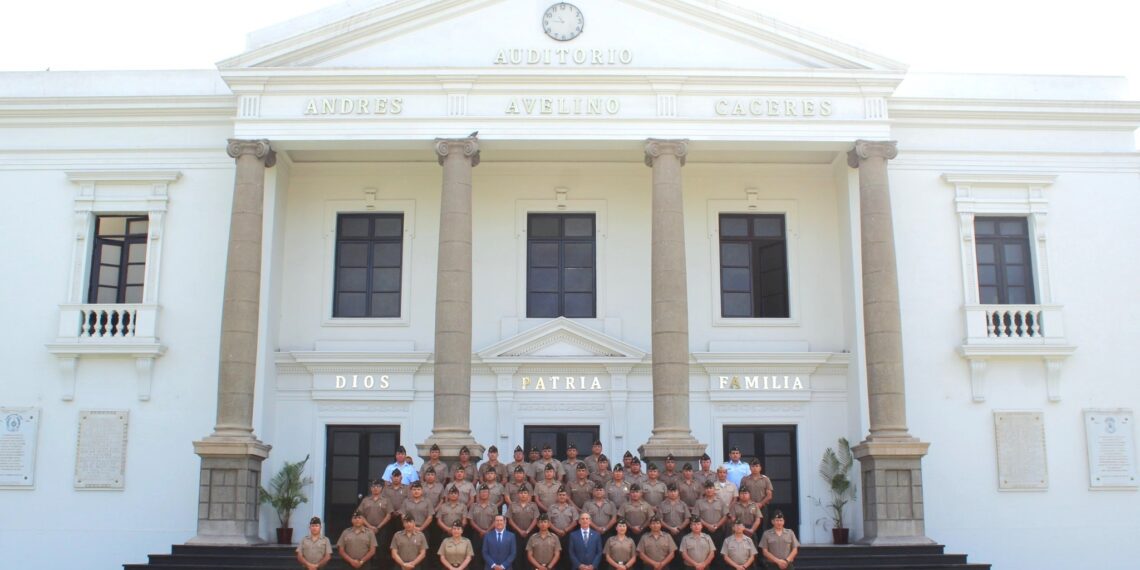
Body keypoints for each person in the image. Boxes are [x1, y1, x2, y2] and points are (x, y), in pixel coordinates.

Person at [359, 480, 395, 569]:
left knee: (382, 550)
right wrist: (369, 526)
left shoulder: (386, 500)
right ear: (371, 488)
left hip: (382, 529)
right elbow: (360, 515)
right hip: (367, 529)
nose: (375, 488)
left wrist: (378, 527)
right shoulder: (365, 500)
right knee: (367, 549)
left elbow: (389, 515)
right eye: (373, 487)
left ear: (381, 488)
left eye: (378, 486)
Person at [693, 482, 727, 569]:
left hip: (718, 530)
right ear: (704, 490)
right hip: (704, 531)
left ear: (714, 489)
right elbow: (696, 517)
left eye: (711, 488)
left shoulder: (720, 501)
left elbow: (725, 516)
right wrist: (708, 526)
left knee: (718, 551)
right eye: (707, 488)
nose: (709, 490)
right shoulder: (699, 502)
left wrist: (717, 526)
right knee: (705, 551)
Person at [507, 487, 540, 570]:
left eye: (525, 493)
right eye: (521, 493)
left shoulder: (533, 505)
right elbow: (510, 520)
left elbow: (536, 519)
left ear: (528, 495)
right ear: (518, 494)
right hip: (516, 534)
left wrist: (528, 531)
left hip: (530, 534)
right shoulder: (512, 505)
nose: (523, 495)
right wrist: (519, 531)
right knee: (517, 554)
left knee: (529, 554)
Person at [468, 485, 499, 567]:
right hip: (476, 533)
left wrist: (487, 531)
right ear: (478, 494)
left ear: (489, 494)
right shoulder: (474, 506)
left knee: (490, 554)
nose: (484, 494)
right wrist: (481, 531)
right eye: (482, 492)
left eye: (486, 492)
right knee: (476, 554)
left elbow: (495, 521)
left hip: (490, 533)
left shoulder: (494, 506)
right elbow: (471, 520)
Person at [737, 461, 773, 530]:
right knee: (749, 527)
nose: (755, 468)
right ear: (750, 468)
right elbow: (741, 494)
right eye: (753, 466)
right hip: (748, 507)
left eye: (757, 466)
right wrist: (752, 504)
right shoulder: (745, 479)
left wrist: (761, 504)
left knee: (763, 527)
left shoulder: (765, 479)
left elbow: (769, 495)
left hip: (762, 507)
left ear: (760, 468)